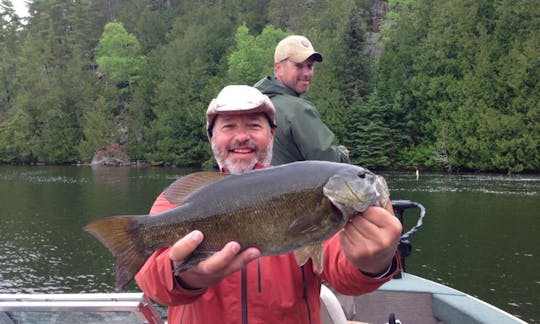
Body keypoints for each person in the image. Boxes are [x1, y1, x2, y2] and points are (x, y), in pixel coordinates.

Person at [135, 85, 402, 323]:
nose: (242, 137)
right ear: (212, 138)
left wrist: (376, 261)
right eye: (228, 126)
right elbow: (151, 282)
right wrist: (188, 277)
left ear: (272, 135)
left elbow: (343, 273)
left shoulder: (313, 197)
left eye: (254, 125)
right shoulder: (177, 200)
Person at [255, 35, 350, 166]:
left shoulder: (253, 103)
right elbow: (329, 162)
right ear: (278, 68)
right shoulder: (298, 109)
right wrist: (342, 154)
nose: (307, 73)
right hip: (292, 186)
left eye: (310, 66)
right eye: (299, 66)